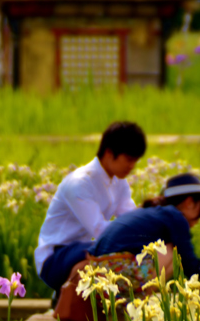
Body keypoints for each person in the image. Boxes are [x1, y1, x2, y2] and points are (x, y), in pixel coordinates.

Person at [35, 121, 147, 293]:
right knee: (109, 249)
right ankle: (65, 296)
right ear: (109, 153)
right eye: (129, 159)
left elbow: (130, 219)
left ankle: (136, 299)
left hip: (84, 249)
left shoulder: (119, 182)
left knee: (142, 250)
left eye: (136, 160)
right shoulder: (80, 183)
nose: (132, 166)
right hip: (54, 259)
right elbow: (100, 230)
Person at [90, 173, 200, 281]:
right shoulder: (176, 217)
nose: (195, 223)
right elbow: (194, 270)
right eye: (198, 216)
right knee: (172, 251)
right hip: (116, 271)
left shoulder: (151, 213)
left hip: (95, 269)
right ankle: (137, 302)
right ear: (189, 202)